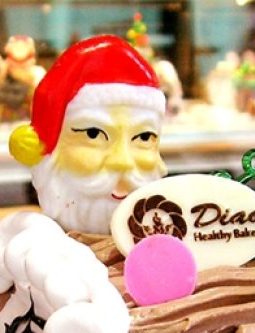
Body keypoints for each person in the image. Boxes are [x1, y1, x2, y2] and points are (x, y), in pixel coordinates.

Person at [9, 34, 167, 234]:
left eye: (144, 137)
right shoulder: (27, 243)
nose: (123, 161)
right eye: (93, 134)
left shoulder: (168, 245)